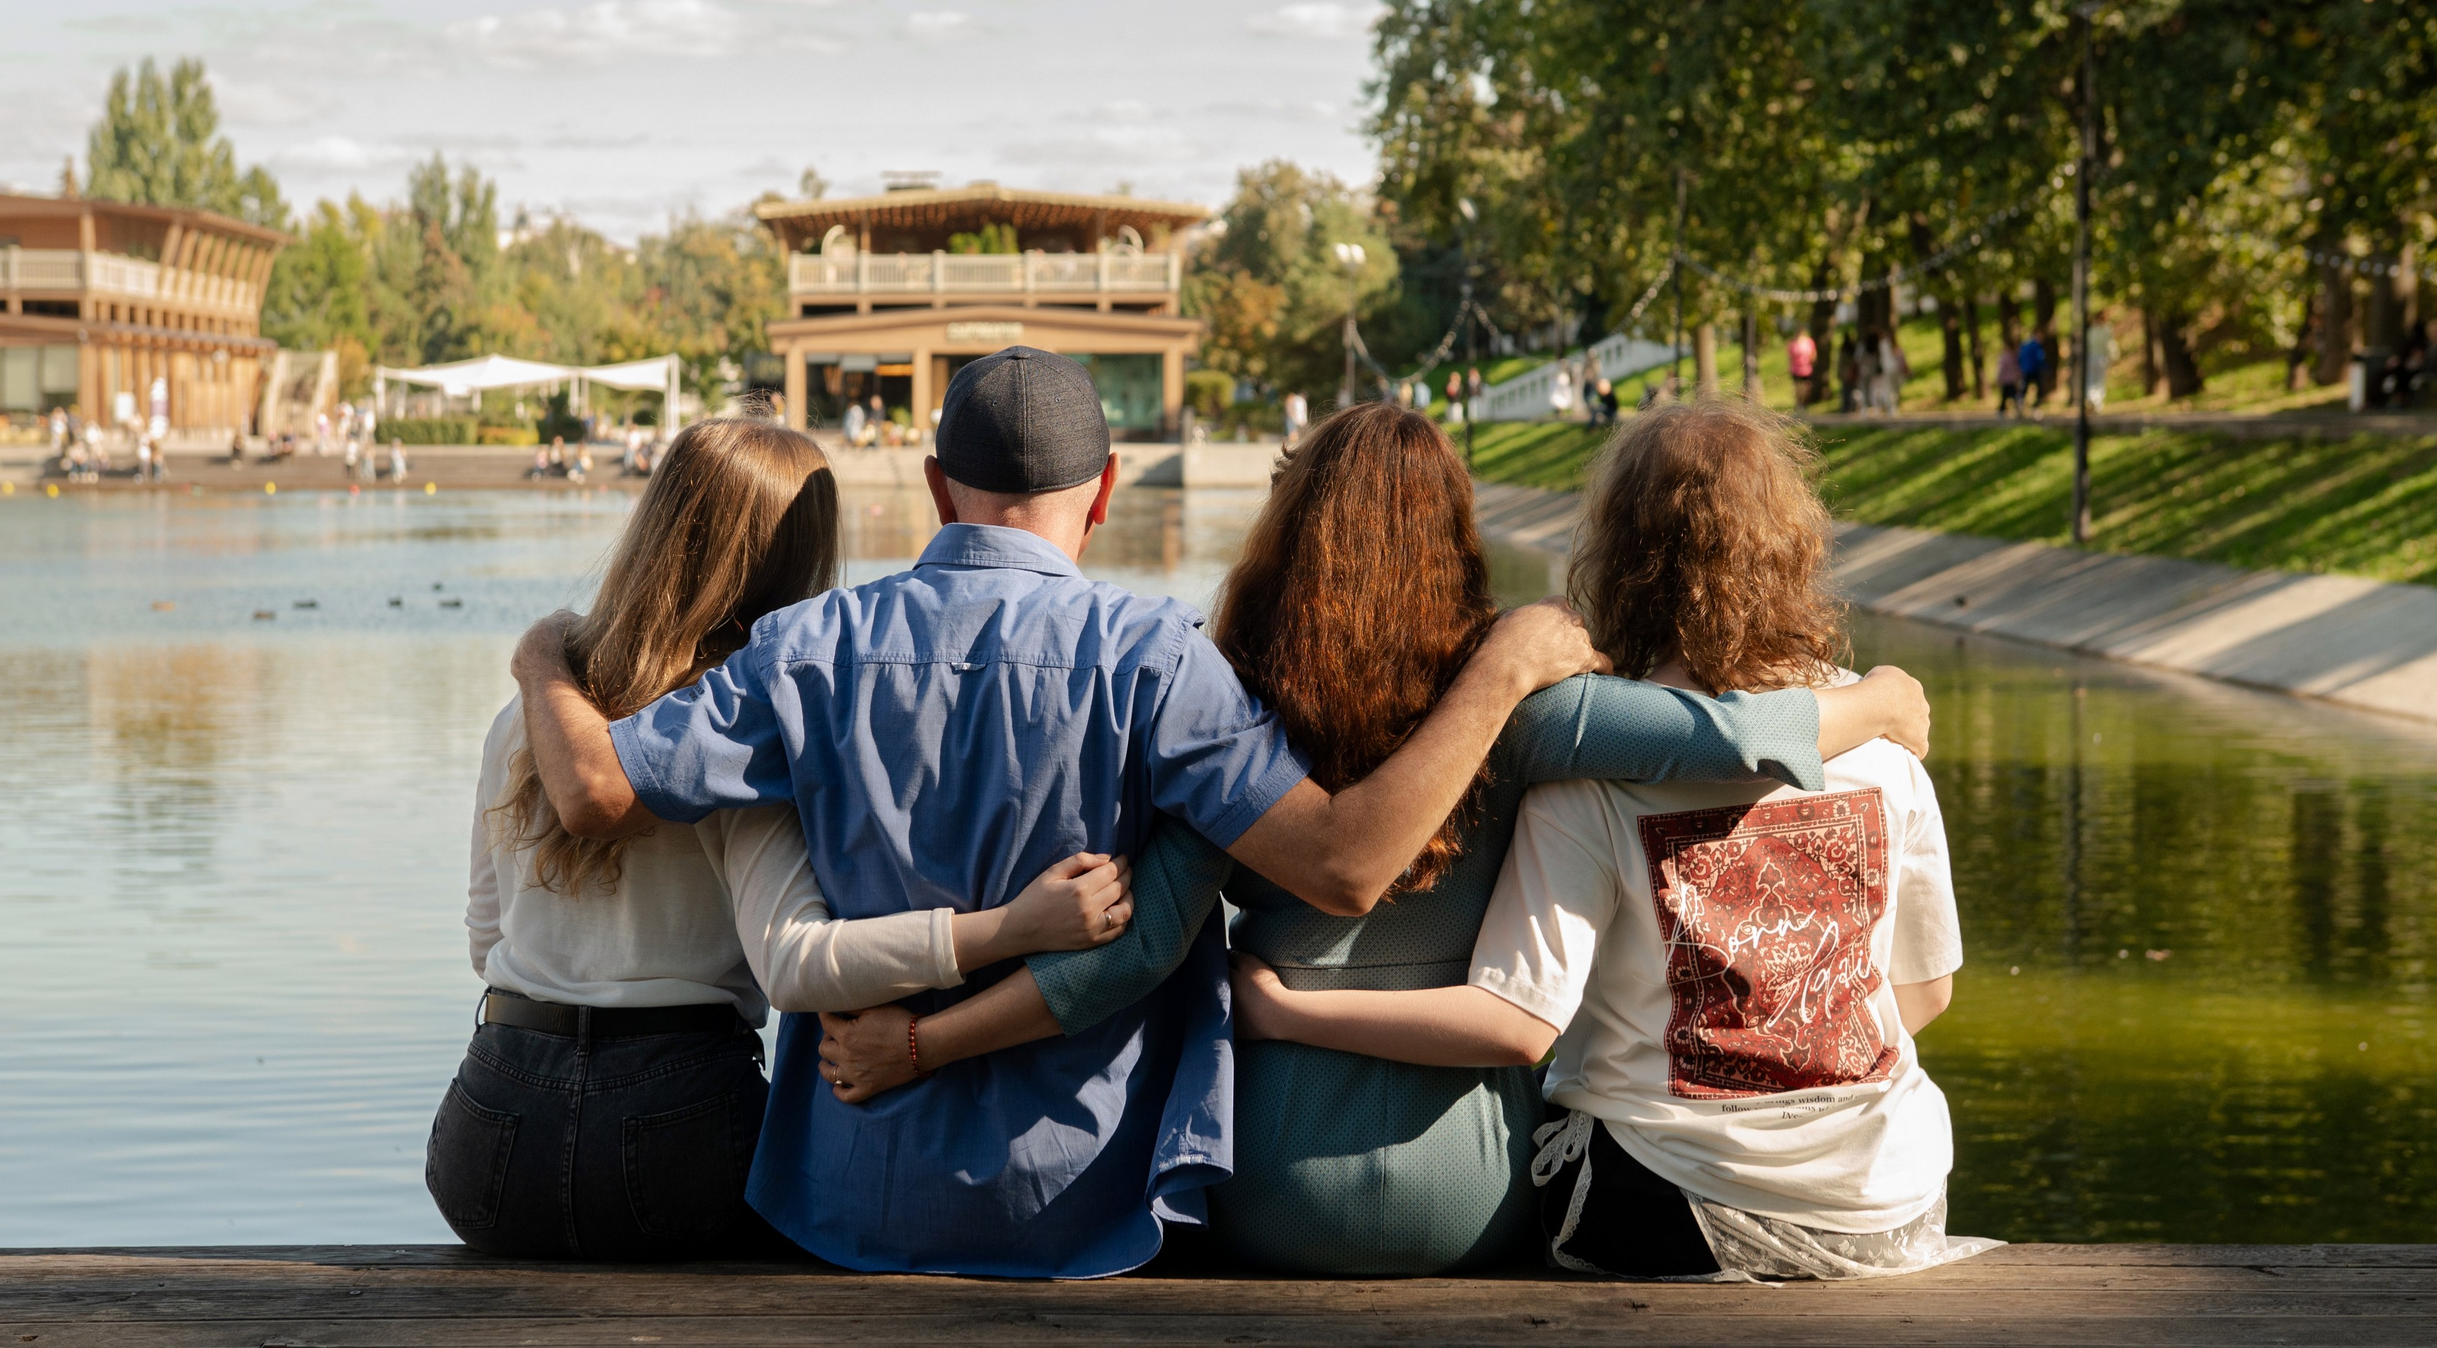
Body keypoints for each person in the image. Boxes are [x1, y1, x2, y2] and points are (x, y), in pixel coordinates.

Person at [508, 348, 1607, 1280]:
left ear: (939, 489)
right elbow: (1342, 864)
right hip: (1089, 1211)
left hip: (847, 1200)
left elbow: (595, 791)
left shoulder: (808, 648)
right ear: (1107, 488)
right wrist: (1504, 668)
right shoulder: (1158, 660)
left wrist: (541, 657)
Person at [819, 405, 1932, 1278]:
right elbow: (1730, 739)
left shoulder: (1236, 718)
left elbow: (1130, 949)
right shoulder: (1522, 704)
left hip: (1265, 1187)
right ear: (1455, 538)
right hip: (1476, 1198)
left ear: (1288, 536)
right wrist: (1879, 701)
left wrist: (924, 1045)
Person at [1233, 401, 1989, 1282]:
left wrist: (1283, 1010)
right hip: (1884, 1197)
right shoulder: (1872, 750)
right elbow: (1919, 993)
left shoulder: (1223, 709)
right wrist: (1886, 704)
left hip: (1648, 1203)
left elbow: (1521, 1020)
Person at [436, 418, 1144, 1260]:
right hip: (673, 1130)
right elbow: (794, 964)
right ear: (791, 563)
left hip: (490, 1129)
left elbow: (487, 941)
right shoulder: (743, 740)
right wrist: (1012, 928)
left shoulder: (531, 719)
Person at [2084, 311, 2114, 414]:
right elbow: (2110, 345)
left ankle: (2093, 400)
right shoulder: (2106, 329)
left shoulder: (2091, 330)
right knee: (2098, 381)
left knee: (2093, 380)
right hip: (2099, 357)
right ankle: (2096, 402)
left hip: (2093, 357)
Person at [1875, 329, 1908, 414]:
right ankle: (1894, 407)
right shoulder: (1894, 345)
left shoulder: (1882, 344)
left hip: (1888, 369)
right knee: (1895, 389)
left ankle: (1891, 408)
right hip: (1895, 369)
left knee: (1889, 389)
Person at [2016, 330, 2048, 411]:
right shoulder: (2036, 346)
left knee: (2024, 389)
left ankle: (2021, 404)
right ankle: (2034, 407)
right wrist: (2046, 368)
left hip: (2025, 370)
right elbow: (2040, 358)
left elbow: (2019, 358)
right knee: (2039, 389)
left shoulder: (2024, 345)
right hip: (2034, 370)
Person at [1993, 336, 2024, 417]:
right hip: (2012, 379)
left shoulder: (2005, 356)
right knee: (2011, 396)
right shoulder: (2014, 356)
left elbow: (2001, 369)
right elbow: (2017, 368)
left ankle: (2002, 411)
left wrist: (1998, 378)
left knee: (2007, 396)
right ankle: (2007, 410)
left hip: (2007, 380)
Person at [1787, 328, 1818, 402]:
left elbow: (1813, 355)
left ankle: (1803, 403)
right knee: (1798, 388)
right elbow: (1790, 357)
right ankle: (1799, 404)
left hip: (1806, 369)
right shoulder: (1793, 343)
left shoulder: (1809, 342)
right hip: (1796, 369)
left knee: (1806, 388)